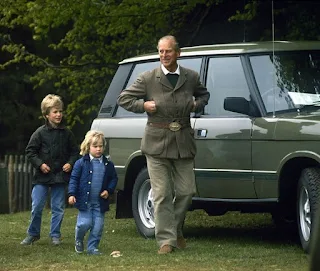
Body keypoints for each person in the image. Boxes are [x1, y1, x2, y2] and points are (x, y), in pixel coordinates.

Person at [117, 35, 210, 254]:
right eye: (160, 51)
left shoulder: (190, 77)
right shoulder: (148, 78)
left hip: (183, 142)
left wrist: (196, 104)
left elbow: (204, 95)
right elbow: (123, 98)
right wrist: (143, 105)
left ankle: (174, 229)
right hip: (156, 143)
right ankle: (166, 241)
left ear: (178, 52)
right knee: (161, 194)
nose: (164, 55)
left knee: (187, 191)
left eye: (168, 51)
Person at [21, 94, 79, 246]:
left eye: (60, 111)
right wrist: (40, 164)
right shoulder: (39, 133)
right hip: (41, 177)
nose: (59, 114)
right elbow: (30, 151)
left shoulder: (67, 134)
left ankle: (55, 235)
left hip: (60, 176)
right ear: (46, 115)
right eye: (55, 112)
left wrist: (70, 163)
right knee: (37, 206)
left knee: (58, 207)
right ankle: (33, 234)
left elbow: (75, 152)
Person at [68, 130, 118, 255]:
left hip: (99, 202)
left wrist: (108, 190)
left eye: (100, 146)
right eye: (95, 146)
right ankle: (79, 239)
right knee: (84, 224)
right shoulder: (81, 163)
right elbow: (73, 179)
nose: (98, 149)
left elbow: (114, 178)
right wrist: (71, 194)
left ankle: (92, 247)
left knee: (98, 226)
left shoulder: (108, 164)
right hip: (85, 202)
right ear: (88, 147)